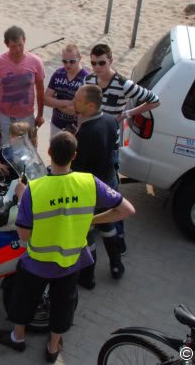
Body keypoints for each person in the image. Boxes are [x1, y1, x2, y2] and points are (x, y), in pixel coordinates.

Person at [0, 131, 135, 361]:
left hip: (37, 263)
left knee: (23, 299)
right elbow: (127, 210)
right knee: (64, 304)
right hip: (71, 262)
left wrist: (22, 195)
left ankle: (17, 339)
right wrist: (92, 220)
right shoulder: (89, 182)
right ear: (74, 155)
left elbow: (24, 235)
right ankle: (52, 347)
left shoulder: (34, 190)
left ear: (48, 153)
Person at [84, 43, 160, 253]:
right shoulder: (89, 80)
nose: (97, 67)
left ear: (111, 61)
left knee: (112, 193)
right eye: (93, 63)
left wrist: (127, 114)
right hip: (92, 144)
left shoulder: (123, 84)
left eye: (101, 63)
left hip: (110, 146)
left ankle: (119, 238)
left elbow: (154, 101)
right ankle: (99, 225)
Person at [71, 84, 125, 286]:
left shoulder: (87, 132)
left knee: (87, 231)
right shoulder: (110, 120)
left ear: (91, 105)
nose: (74, 103)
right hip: (108, 184)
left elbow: (76, 168)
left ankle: (88, 276)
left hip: (89, 190)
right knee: (108, 225)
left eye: (78, 100)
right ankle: (116, 265)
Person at [0, 26, 45, 142]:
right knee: (5, 151)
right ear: (6, 44)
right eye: (13, 46)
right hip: (3, 117)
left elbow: (40, 91)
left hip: (27, 117)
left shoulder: (36, 62)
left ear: (24, 40)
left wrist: (40, 115)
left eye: (20, 45)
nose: (18, 50)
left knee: (28, 151)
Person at [44, 44, 89, 139]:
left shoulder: (86, 79)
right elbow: (45, 100)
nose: (68, 65)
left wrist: (56, 103)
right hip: (56, 124)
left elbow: (78, 110)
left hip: (75, 129)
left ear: (80, 58)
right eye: (65, 61)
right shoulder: (58, 73)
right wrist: (67, 103)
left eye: (72, 61)